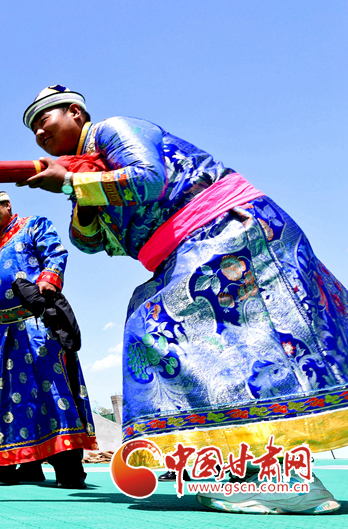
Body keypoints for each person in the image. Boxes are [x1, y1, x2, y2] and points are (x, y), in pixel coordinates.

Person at [18, 85, 347, 514]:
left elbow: (149, 178)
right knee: (195, 347)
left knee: (231, 349)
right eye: (32, 128)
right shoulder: (87, 169)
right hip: (192, 250)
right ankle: (249, 469)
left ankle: (282, 478)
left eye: (44, 118)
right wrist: (75, 189)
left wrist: (71, 182)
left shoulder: (113, 131)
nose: (38, 132)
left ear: (75, 112)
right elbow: (90, 242)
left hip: (225, 231)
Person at [0, 188, 97, 488]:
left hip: (39, 325)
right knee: (12, 399)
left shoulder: (34, 224)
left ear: (7, 204)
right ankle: (16, 466)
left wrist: (48, 278)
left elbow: (56, 253)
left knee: (54, 392)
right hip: (7, 331)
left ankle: (68, 469)